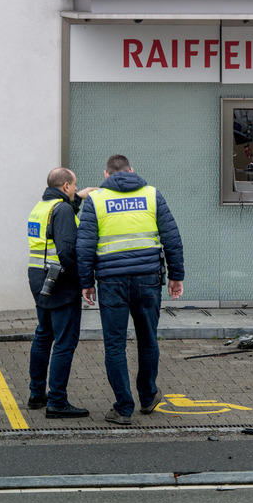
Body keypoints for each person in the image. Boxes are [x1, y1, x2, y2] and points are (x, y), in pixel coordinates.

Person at [76, 155, 185, 426]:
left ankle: (123, 407)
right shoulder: (151, 194)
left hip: (112, 282)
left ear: (106, 175)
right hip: (148, 279)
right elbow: (172, 237)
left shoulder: (96, 200)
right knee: (148, 338)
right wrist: (176, 276)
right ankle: (148, 396)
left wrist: (86, 281)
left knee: (115, 344)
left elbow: (85, 245)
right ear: (132, 171)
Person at [26, 167, 95, 418]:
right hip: (60, 281)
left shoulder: (40, 207)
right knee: (65, 342)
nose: (76, 189)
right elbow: (66, 249)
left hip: (39, 279)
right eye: (75, 186)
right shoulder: (63, 209)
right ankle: (57, 401)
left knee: (44, 335)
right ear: (65, 186)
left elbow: (55, 228)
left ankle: (36, 394)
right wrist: (83, 279)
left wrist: (81, 197)